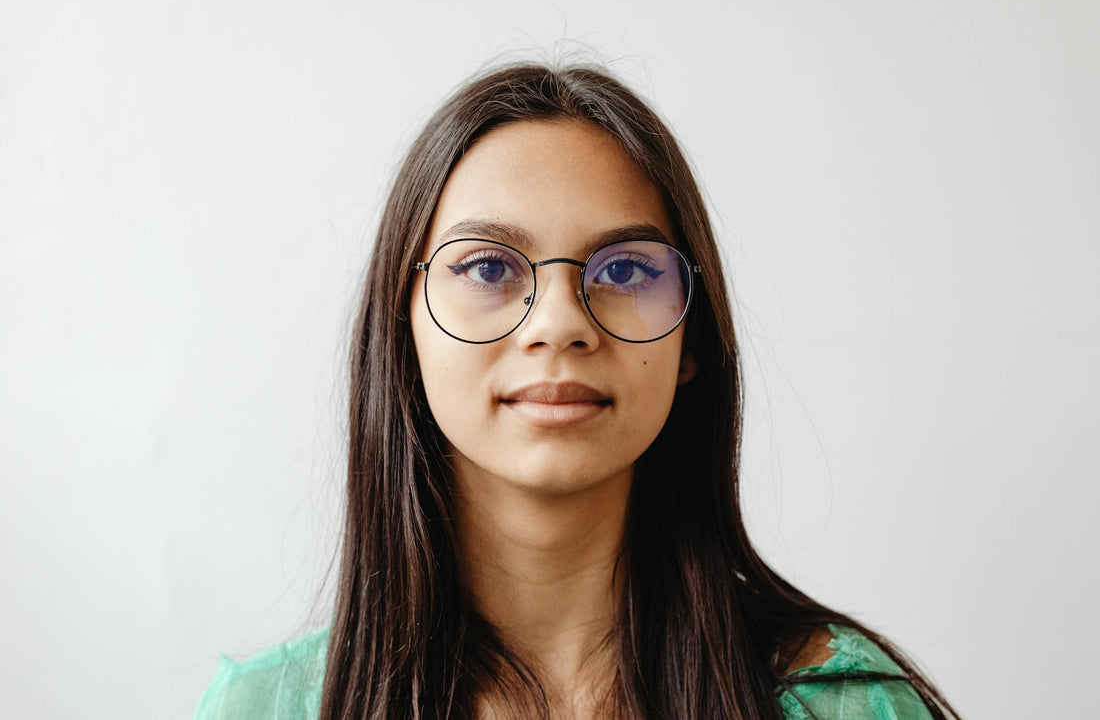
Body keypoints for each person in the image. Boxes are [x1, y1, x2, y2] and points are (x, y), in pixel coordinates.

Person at [193, 62, 959, 720]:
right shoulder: (260, 708)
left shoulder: (842, 705)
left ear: (692, 339)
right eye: (488, 267)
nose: (559, 324)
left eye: (623, 269)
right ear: (403, 329)